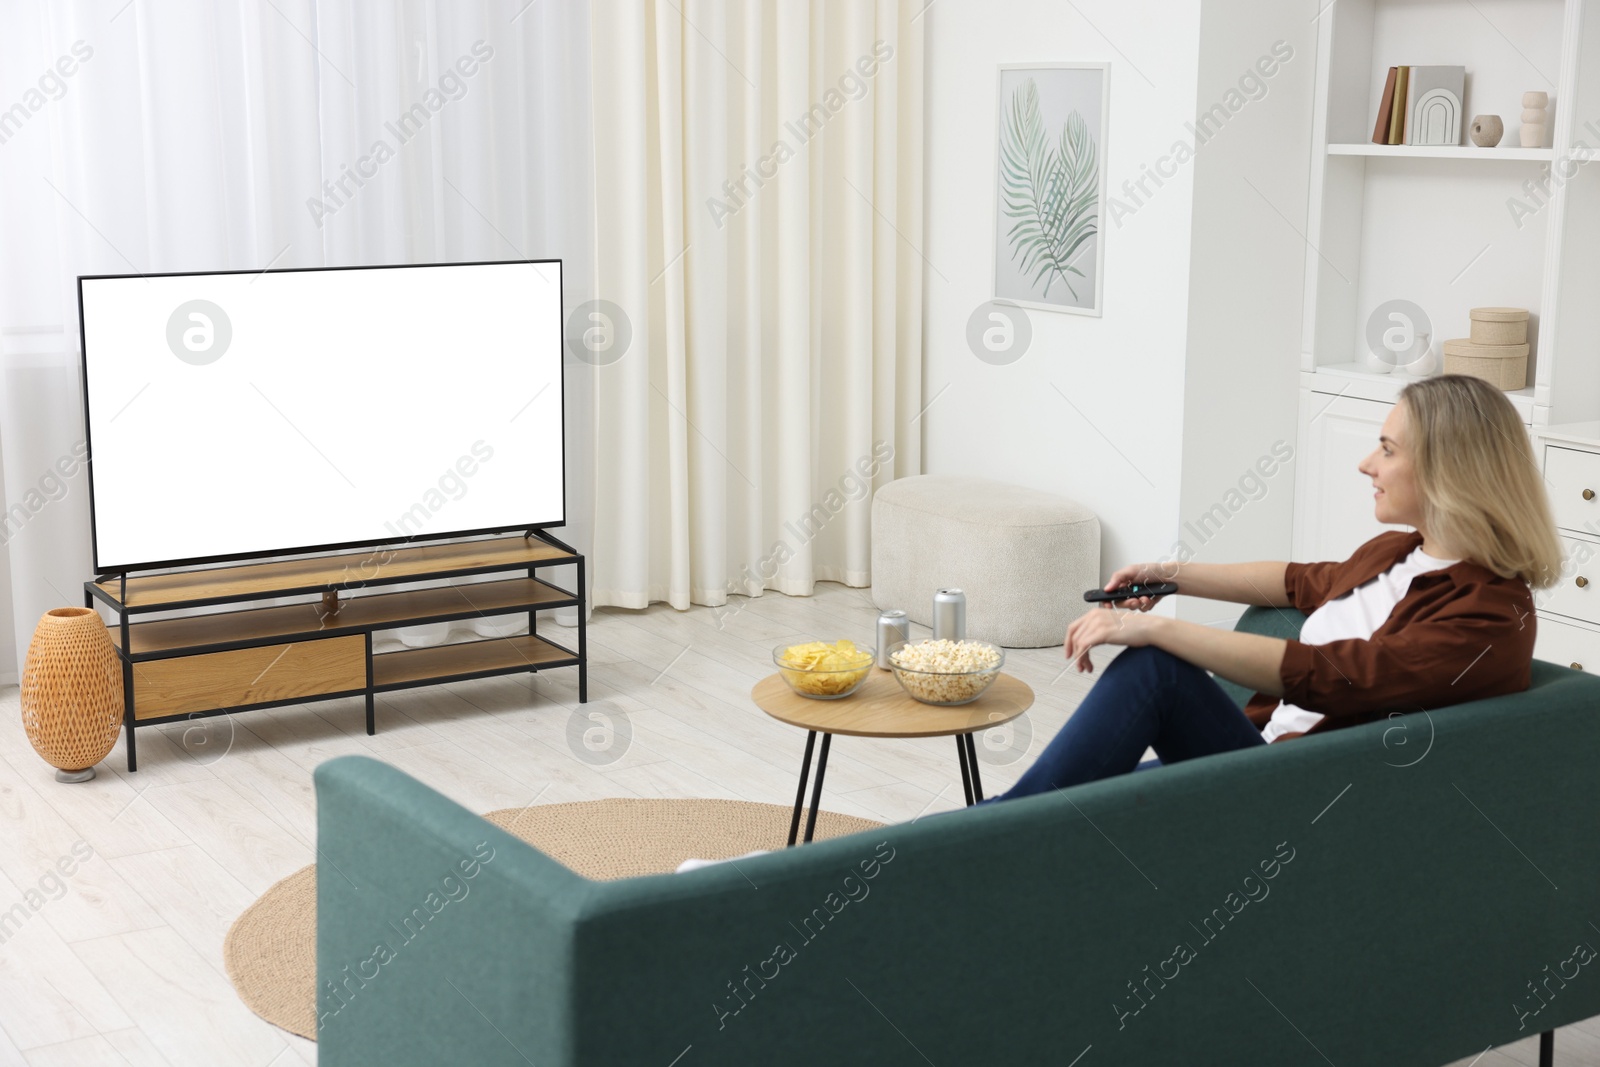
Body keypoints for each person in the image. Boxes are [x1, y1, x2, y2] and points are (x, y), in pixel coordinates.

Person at [993, 374, 1564, 802]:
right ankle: (987, 837)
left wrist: (1152, 629)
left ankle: (983, 843)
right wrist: (1168, 577)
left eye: (1388, 450)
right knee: (1079, 803)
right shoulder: (1400, 553)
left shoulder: (1486, 617)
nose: (1366, 464)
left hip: (1301, 794)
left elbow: (1332, 676)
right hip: (1260, 752)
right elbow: (1294, 582)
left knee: (1155, 672)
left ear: (1451, 471)